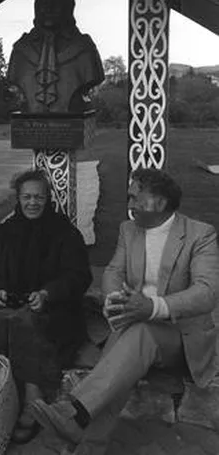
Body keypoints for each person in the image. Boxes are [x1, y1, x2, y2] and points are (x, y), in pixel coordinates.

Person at [30, 167, 219, 454]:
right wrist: (114, 299)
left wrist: (153, 307)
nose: (129, 205)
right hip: (134, 330)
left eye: (135, 198)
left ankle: (75, 410)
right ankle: (89, 440)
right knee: (123, 354)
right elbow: (113, 271)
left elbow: (208, 292)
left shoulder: (199, 234)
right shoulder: (128, 230)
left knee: (138, 332)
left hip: (180, 339)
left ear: (161, 202)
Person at [0, 169, 91, 443]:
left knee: (27, 323)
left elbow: (79, 275)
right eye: (27, 197)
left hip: (54, 308)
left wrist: (48, 293)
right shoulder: (4, 232)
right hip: (12, 305)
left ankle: (31, 399)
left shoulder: (65, 232)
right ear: (18, 198)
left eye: (38, 197)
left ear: (48, 198)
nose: (32, 203)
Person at [7, 0, 105, 113]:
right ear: (36, 7)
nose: (48, 8)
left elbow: (93, 77)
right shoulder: (21, 51)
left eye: (55, 3)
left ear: (68, 7)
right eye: (43, 3)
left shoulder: (85, 50)